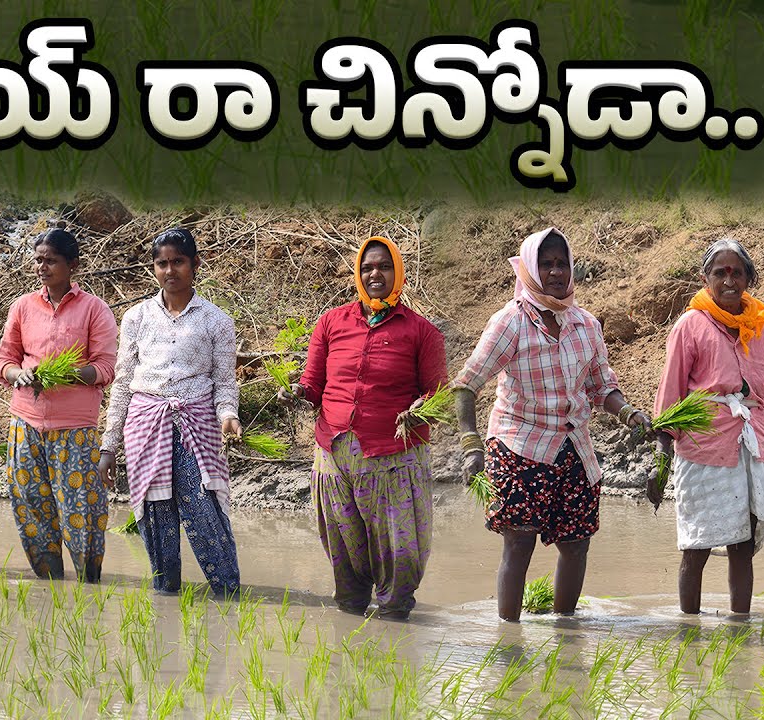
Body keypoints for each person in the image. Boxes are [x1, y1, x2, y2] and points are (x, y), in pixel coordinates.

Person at [453, 227, 651, 622]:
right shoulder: (510, 322)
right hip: (519, 447)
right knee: (519, 544)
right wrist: (471, 443)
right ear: (529, 269)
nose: (556, 272)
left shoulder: (586, 325)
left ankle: (566, 633)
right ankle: (508, 638)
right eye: (546, 264)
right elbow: (465, 384)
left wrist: (628, 412)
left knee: (577, 546)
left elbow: (601, 386)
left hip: (573, 448)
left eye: (562, 264)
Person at [278, 237, 446, 620]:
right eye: (367, 267)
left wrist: (420, 409)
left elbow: (438, 396)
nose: (375, 274)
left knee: (397, 555)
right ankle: (350, 625)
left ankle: (394, 621)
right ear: (358, 272)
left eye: (384, 267)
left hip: (393, 459)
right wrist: (297, 392)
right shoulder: (332, 322)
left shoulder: (422, 332)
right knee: (345, 552)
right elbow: (313, 384)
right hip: (335, 457)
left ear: (398, 273)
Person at [649, 238, 764, 616]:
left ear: (749, 278)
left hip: (751, 446)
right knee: (697, 545)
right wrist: (660, 461)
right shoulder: (691, 325)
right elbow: (669, 397)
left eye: (737, 272)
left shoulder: (759, 328)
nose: (729, 280)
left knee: (743, 545)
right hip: (704, 447)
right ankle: (689, 630)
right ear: (706, 279)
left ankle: (740, 625)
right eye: (720, 273)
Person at [98, 228, 242, 598]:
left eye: (178, 261)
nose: (170, 270)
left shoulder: (216, 321)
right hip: (146, 426)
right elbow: (124, 381)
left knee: (205, 511)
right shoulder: (137, 317)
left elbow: (225, 382)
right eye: (162, 263)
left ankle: (228, 593)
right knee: (156, 514)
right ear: (153, 268)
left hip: (197, 424)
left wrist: (228, 416)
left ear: (196, 263)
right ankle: (166, 594)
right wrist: (109, 446)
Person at [0, 229, 118, 582]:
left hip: (75, 429)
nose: (42, 267)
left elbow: (105, 367)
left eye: (50, 260)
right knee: (32, 507)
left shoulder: (94, 309)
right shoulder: (22, 306)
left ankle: (88, 582)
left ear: (72, 265)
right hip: (25, 423)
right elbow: (5, 359)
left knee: (81, 510)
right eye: (38, 259)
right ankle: (49, 588)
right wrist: (18, 374)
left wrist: (65, 374)